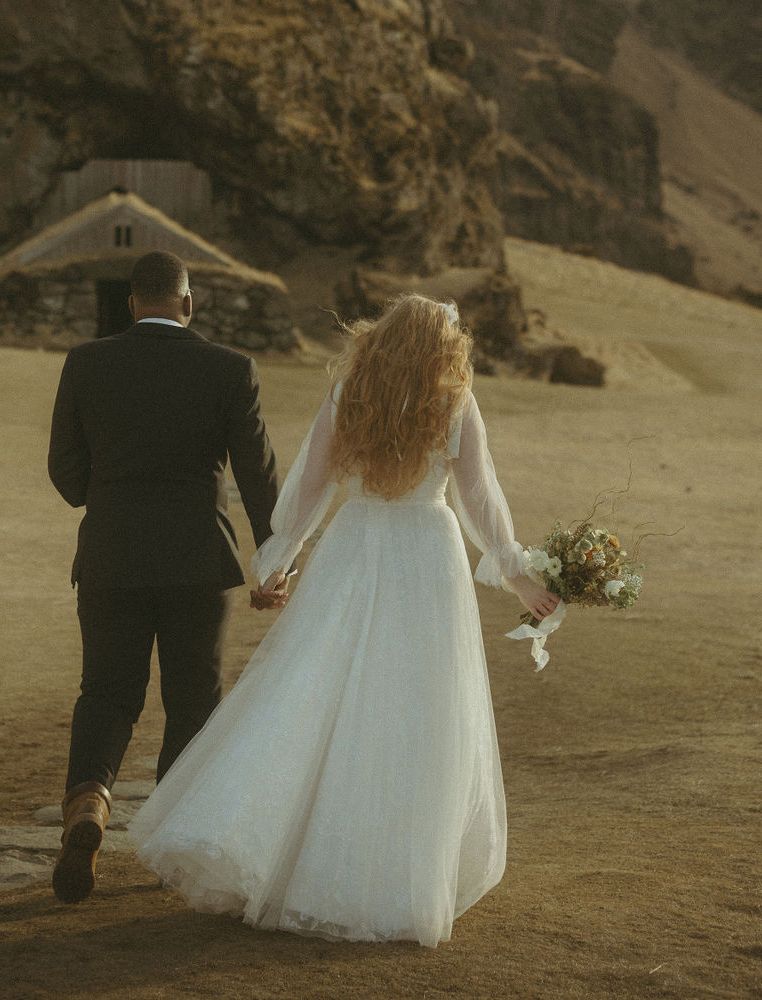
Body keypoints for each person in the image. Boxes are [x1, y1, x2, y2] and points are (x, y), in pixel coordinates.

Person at [128, 294, 559, 945]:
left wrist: (277, 559)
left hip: (355, 545)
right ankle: (397, 877)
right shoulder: (454, 400)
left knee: (315, 691)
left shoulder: (348, 393)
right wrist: (518, 576)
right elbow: (479, 496)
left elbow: (311, 487)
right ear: (441, 345)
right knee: (418, 708)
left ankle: (288, 850)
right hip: (426, 551)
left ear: (382, 338)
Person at [46, 250, 283, 904]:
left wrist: (110, 493)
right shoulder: (230, 369)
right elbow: (257, 477)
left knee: (106, 693)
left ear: (130, 304)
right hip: (197, 565)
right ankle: (174, 842)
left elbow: (66, 473)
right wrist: (275, 561)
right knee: (192, 699)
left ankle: (89, 805)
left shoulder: (86, 363)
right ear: (188, 303)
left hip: (111, 558)